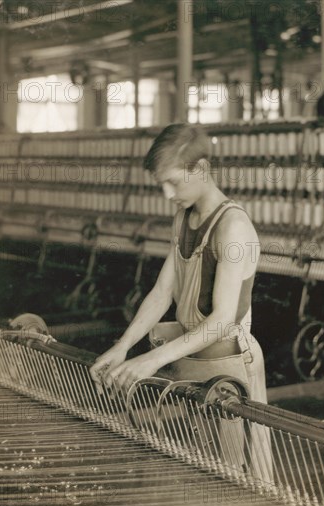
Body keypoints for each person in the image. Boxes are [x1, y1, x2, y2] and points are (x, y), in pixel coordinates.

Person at [90, 124, 272, 482]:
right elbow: (161, 292)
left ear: (200, 170)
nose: (166, 193)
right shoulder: (184, 219)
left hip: (230, 368)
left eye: (172, 182)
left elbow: (221, 321)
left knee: (245, 477)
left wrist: (152, 359)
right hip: (192, 363)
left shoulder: (232, 227)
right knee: (208, 469)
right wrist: (123, 347)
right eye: (161, 184)